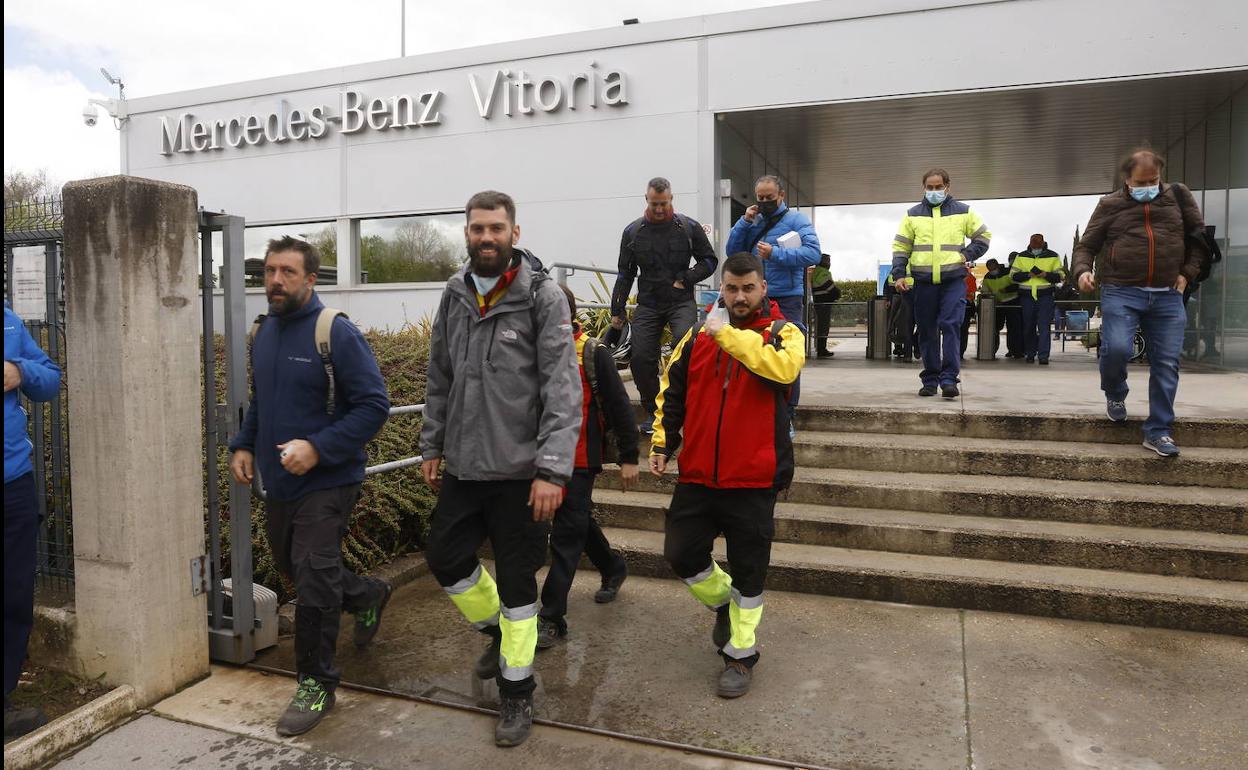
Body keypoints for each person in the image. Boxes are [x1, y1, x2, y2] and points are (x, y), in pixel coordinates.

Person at [420, 190, 581, 747]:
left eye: (495, 228)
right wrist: (431, 445)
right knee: (443, 557)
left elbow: (563, 389)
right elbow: (439, 375)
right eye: (476, 229)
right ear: (466, 234)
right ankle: (499, 632)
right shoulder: (454, 293)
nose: (485, 237)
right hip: (464, 466)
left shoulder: (542, 296)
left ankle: (517, 693)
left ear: (514, 232)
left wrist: (553, 470)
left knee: (517, 586)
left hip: (521, 475)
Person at [229, 237, 392, 737]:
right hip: (280, 479)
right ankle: (366, 594)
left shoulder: (334, 333)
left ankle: (316, 682)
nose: (275, 280)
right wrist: (244, 444)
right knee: (291, 563)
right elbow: (261, 400)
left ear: (310, 279)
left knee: (313, 576)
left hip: (329, 479)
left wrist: (319, 448)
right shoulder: (264, 331)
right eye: (270, 271)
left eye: (287, 272)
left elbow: (374, 406)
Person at [650, 252, 805, 700]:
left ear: (763, 289)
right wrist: (663, 443)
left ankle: (741, 654)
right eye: (731, 288)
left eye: (748, 288)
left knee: (750, 571)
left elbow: (783, 371)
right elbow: (670, 390)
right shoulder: (698, 336)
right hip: (697, 473)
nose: (739, 296)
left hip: (753, 479)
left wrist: (729, 337)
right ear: (722, 288)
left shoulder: (784, 333)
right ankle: (724, 605)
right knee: (681, 554)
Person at [1072, 150, 1208, 457]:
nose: (1148, 187)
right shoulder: (1110, 204)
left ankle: (1158, 431)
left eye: (1154, 181)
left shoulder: (1179, 196)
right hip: (1121, 291)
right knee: (1117, 348)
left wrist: (1187, 273)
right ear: (1126, 179)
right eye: (1140, 182)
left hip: (1167, 293)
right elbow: (1087, 245)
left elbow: (1198, 241)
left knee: (1166, 363)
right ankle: (1116, 393)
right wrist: (1082, 271)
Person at [536, 286, 640, 650]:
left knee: (565, 536)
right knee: (577, 522)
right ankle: (612, 566)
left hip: (581, 459)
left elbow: (619, 407)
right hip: (541, 459)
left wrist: (629, 457)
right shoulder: (532, 352)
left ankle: (551, 617)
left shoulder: (593, 352)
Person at [610, 177, 718, 434]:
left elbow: (709, 261)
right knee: (640, 357)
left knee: (686, 346)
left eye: (664, 203)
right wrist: (617, 310)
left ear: (672, 199)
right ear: (646, 199)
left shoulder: (689, 227)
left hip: (680, 301)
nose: (659, 209)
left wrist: (687, 278)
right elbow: (625, 274)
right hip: (648, 303)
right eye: (655, 203)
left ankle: (687, 407)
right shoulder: (633, 231)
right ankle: (655, 412)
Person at [4, 302, 61, 739]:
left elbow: (50, 379)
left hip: (13, 482)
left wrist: (20, 372)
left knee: (14, 595)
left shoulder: (7, 320)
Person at [725, 176, 820, 421]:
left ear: (781, 195)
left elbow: (813, 253)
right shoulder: (752, 220)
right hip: (754, 297)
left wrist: (775, 254)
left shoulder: (797, 220)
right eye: (761, 198)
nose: (765, 202)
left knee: (787, 352)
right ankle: (756, 407)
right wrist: (744, 224)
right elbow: (732, 253)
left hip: (786, 297)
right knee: (751, 350)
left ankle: (787, 413)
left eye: (770, 197)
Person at [891, 168, 992, 398]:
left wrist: (966, 255)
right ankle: (930, 380)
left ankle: (949, 380)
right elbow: (901, 248)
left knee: (950, 326)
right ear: (924, 188)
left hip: (953, 281)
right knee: (926, 330)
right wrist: (898, 275)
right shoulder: (912, 215)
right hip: (923, 283)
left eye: (938, 187)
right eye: (930, 187)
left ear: (948, 187)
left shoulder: (963, 212)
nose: (934, 191)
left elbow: (984, 237)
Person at [1011, 234, 1066, 364]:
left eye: (1037, 245)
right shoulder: (1021, 256)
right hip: (1027, 297)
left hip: (1045, 296)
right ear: (1029, 243)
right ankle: (1030, 354)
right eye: (1033, 244)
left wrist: (1045, 274)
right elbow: (1013, 276)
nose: (1035, 247)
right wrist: (1027, 275)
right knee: (1028, 327)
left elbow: (1060, 276)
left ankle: (1043, 356)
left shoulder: (1053, 256)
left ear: (1043, 243)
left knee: (1044, 327)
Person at [979, 258, 1023, 358]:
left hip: (1013, 302)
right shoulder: (987, 277)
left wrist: (1006, 290)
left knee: (1014, 328)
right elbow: (985, 291)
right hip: (998, 304)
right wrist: (988, 297)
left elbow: (1017, 285)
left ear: (998, 265)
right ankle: (991, 351)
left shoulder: (1009, 272)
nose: (992, 271)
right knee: (995, 328)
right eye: (989, 269)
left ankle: (1015, 351)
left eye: (993, 268)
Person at [810, 253, 839, 359]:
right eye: (828, 261)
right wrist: (837, 294)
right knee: (823, 327)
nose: (829, 263)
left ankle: (821, 348)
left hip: (819, 303)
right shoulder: (823, 272)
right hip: (824, 304)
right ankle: (822, 349)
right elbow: (830, 288)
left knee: (820, 327)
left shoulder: (817, 271)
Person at [959, 268, 977, 360]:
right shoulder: (971, 278)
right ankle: (960, 352)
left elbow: (972, 294)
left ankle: (959, 352)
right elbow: (972, 295)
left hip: (962, 306)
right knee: (963, 330)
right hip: (966, 306)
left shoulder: (970, 278)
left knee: (958, 330)